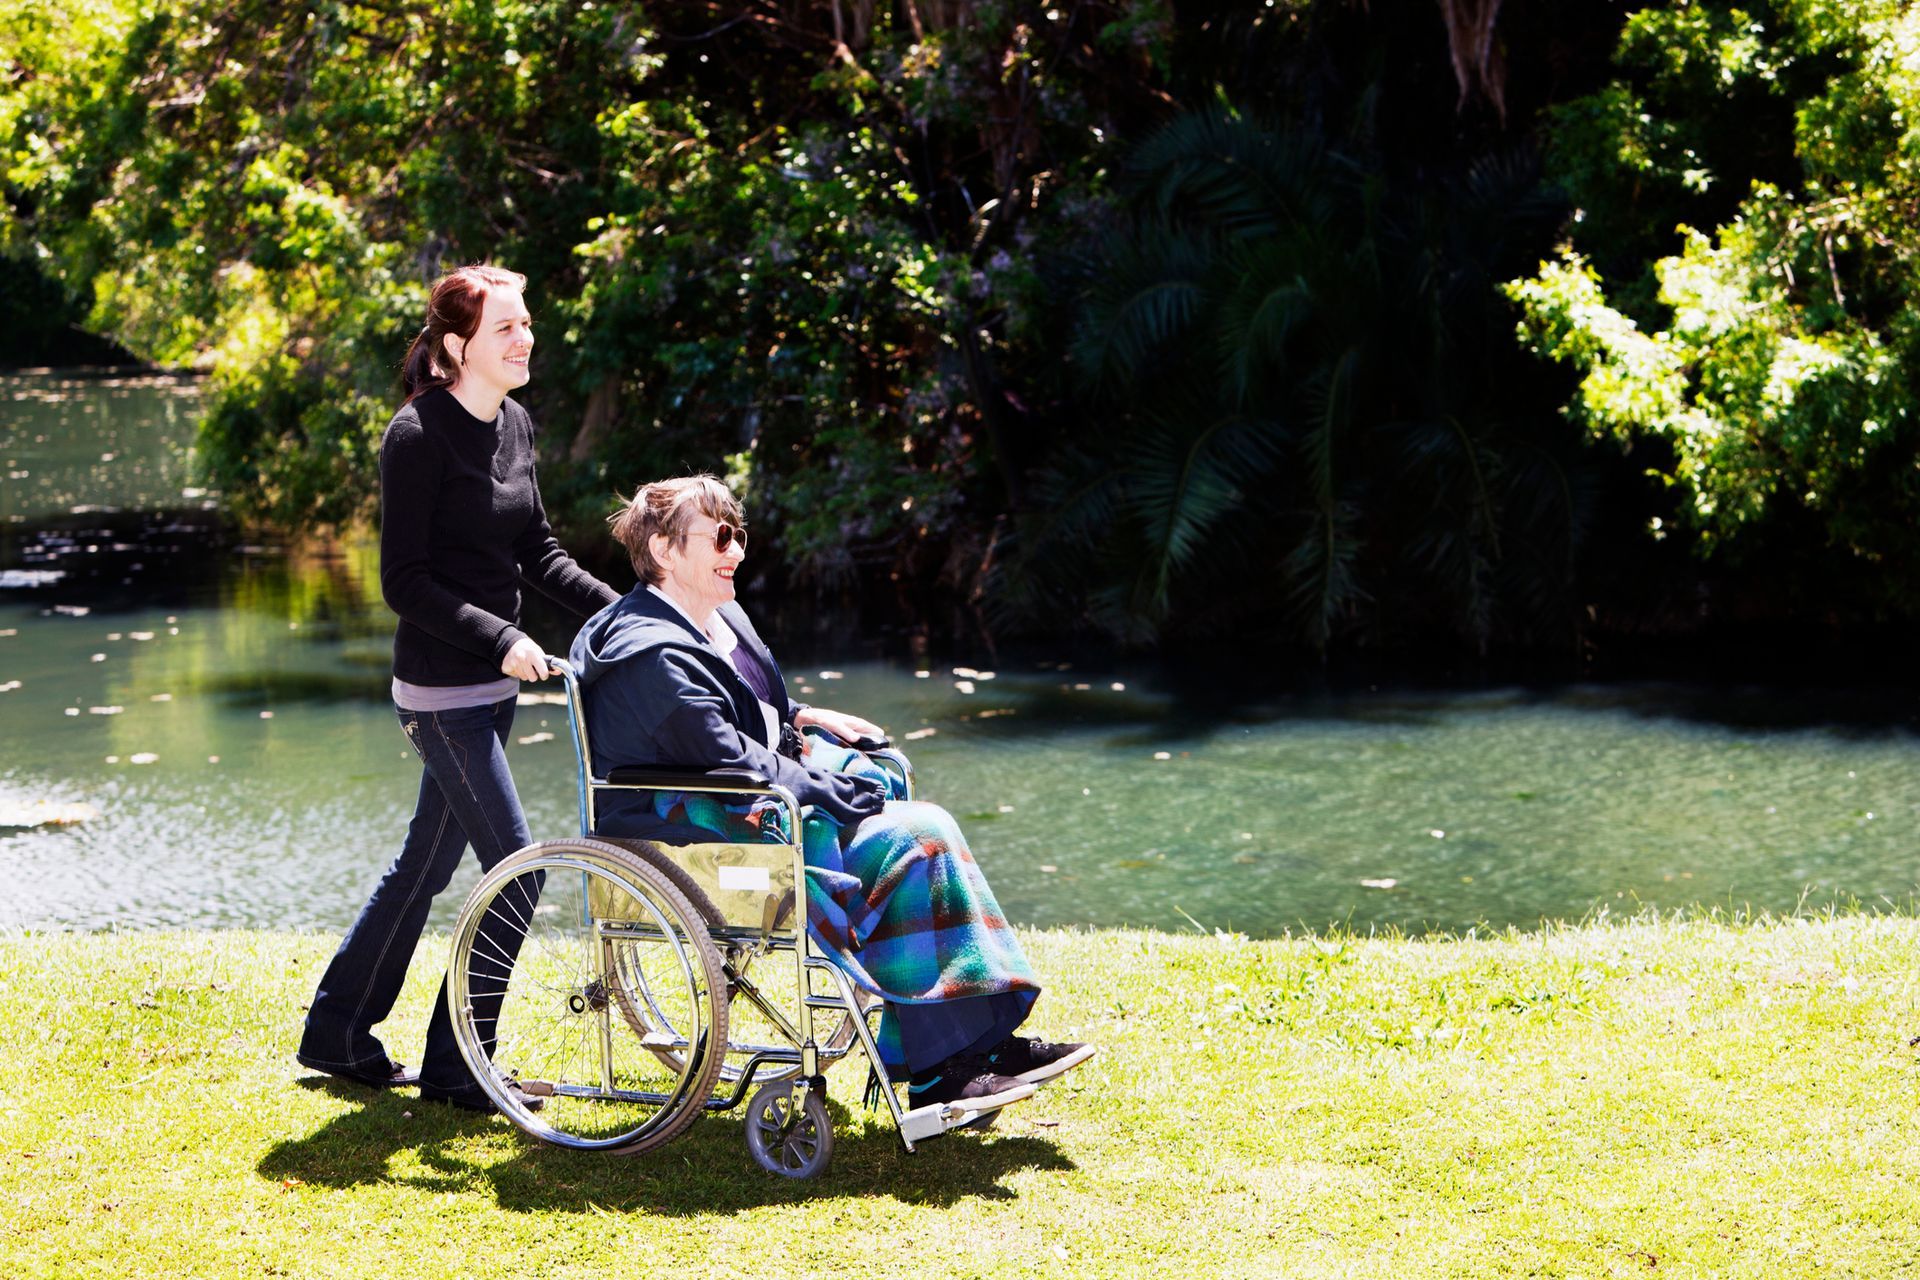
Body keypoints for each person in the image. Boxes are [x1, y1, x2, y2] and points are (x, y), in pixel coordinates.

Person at [569, 475, 1094, 1117]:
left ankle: (975, 1044)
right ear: (664, 550)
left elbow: (753, 705)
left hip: (746, 789)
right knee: (918, 834)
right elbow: (724, 755)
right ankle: (940, 1068)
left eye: (739, 535)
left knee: (891, 784)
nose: (737, 550)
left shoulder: (712, 617)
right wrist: (822, 786)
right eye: (720, 538)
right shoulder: (647, 654)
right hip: (698, 819)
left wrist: (809, 718)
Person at [297, 265, 621, 1111]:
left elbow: (538, 552)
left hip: (494, 688)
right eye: (506, 328)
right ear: (456, 345)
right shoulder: (417, 436)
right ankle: (457, 1066)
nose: (525, 341)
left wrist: (631, 614)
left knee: (425, 863)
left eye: (526, 325)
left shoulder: (513, 423)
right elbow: (404, 582)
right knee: (518, 873)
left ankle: (335, 1035)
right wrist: (504, 637)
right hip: (441, 694)